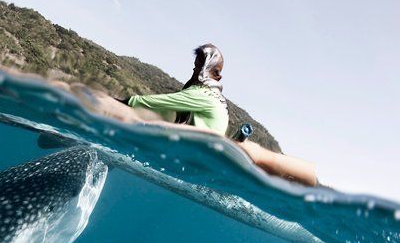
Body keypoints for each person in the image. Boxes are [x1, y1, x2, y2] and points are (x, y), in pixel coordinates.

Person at [116, 44, 318, 186]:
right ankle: (308, 181)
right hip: (216, 159)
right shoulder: (216, 97)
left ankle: (308, 179)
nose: (194, 71)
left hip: (211, 163)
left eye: (197, 67)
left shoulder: (202, 95)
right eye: (194, 66)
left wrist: (120, 102)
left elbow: (150, 102)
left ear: (209, 70)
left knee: (266, 164)